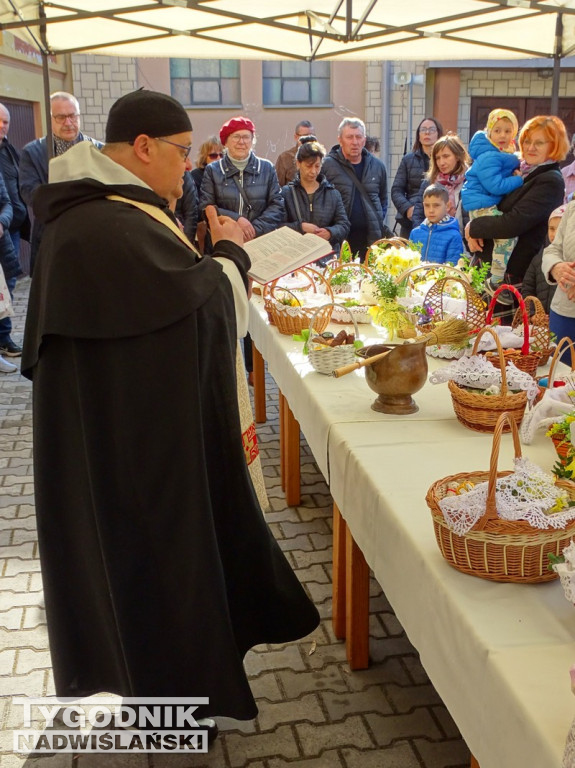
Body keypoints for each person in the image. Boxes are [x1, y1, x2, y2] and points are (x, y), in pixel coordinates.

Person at [21, 89, 319, 729]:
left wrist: (215, 261)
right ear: (144, 147)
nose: (189, 165)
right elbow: (195, 312)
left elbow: (165, 304)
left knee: (144, 569)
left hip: (128, 428)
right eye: (183, 152)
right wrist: (230, 257)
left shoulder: (110, 212)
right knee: (158, 567)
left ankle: (166, 689)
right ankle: (174, 700)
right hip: (138, 446)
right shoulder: (107, 223)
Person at [200, 115, 284, 381]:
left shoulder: (267, 168)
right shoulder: (213, 171)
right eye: (235, 137)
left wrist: (254, 228)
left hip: (258, 246)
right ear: (225, 142)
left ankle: (254, 367)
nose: (241, 141)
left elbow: (278, 205)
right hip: (225, 247)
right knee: (229, 300)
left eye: (246, 136)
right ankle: (231, 362)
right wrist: (238, 222)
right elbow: (207, 205)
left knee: (256, 303)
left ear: (253, 140)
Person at [466, 114, 568, 300]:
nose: (530, 147)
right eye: (527, 141)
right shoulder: (523, 170)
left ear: (554, 146)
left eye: (539, 143)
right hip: (489, 267)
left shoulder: (550, 180)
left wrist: (473, 227)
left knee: (498, 330)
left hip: (509, 274)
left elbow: (513, 223)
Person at [19, 91, 102, 274]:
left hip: (92, 237)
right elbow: (29, 192)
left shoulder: (98, 150)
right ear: (50, 119)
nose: (68, 122)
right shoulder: (33, 152)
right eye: (61, 117)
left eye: (72, 116)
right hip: (52, 236)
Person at [461, 109, 524, 296]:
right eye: (497, 131)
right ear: (489, 132)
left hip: (484, 202)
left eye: (507, 130)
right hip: (481, 205)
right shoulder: (490, 156)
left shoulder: (500, 153)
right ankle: (496, 281)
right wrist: (519, 180)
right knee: (506, 237)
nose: (502, 135)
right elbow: (495, 185)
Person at [322, 116, 391, 262]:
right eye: (349, 137)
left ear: (364, 140)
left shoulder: (377, 166)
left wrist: (376, 219)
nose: (355, 142)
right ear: (340, 140)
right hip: (340, 240)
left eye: (358, 137)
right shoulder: (327, 166)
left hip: (370, 239)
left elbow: (383, 199)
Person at [281, 137, 349, 254]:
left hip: (326, 257)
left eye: (317, 166)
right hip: (295, 256)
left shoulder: (332, 194)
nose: (313, 171)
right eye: (309, 166)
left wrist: (330, 232)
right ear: (298, 164)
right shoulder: (287, 193)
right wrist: (300, 227)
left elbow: (344, 225)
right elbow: (277, 226)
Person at [391, 117, 443, 238]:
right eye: (423, 129)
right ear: (418, 135)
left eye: (431, 129)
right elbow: (396, 190)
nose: (427, 132)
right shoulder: (408, 160)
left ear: (438, 134)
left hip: (440, 219)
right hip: (411, 220)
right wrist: (408, 209)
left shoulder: (443, 160)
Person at [411, 133, 469, 235]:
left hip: (464, 241)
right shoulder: (429, 182)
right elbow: (418, 215)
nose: (441, 162)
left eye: (446, 156)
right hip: (433, 240)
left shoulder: (470, 180)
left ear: (458, 156)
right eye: (437, 158)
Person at [542, 203, 575, 356]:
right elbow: (553, 250)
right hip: (564, 313)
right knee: (560, 375)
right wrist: (556, 267)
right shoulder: (572, 208)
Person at [521, 205, 564, 313]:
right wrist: (533, 313)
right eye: (551, 229)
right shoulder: (538, 259)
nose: (554, 234)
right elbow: (527, 289)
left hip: (563, 323)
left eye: (561, 229)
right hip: (539, 324)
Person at [409, 184, 464, 264]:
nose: (431, 210)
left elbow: (452, 269)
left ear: (447, 206)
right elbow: (408, 263)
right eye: (427, 205)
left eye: (436, 205)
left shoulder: (454, 236)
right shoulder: (415, 233)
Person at [275, 120, 315, 186]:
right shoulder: (284, 158)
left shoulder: (319, 158)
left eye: (312, 137)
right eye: (305, 137)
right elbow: (278, 187)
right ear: (296, 137)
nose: (309, 141)